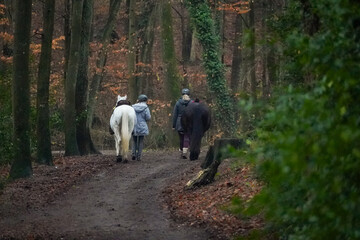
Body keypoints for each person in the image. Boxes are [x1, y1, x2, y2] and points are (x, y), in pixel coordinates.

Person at [172, 88, 191, 159]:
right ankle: (185, 152)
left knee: (181, 138)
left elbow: (175, 115)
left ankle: (181, 151)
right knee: (187, 137)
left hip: (179, 122)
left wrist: (174, 125)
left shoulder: (178, 103)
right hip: (189, 121)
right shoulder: (191, 103)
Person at [131, 94, 151, 161]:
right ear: (145, 100)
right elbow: (148, 117)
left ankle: (133, 153)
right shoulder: (146, 108)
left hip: (134, 125)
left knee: (134, 140)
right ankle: (139, 156)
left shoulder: (132, 107)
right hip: (142, 125)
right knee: (140, 141)